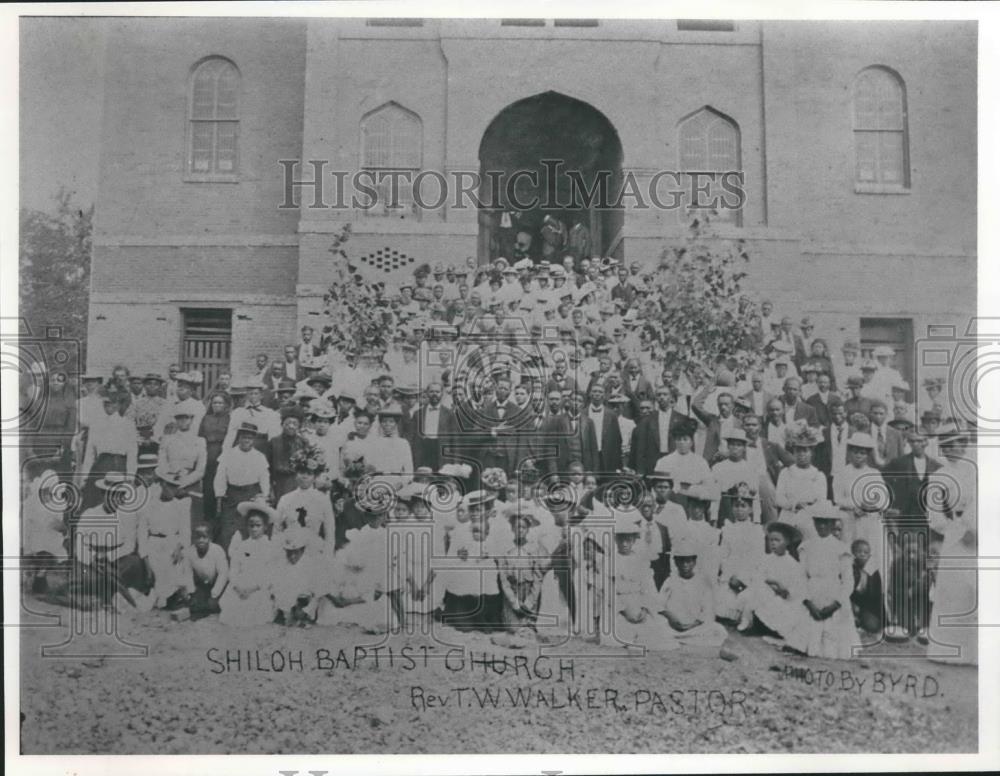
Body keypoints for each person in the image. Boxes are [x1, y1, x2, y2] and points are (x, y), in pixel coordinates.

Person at [926, 428, 977, 664]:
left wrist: (977, 529)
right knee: (953, 591)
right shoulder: (937, 477)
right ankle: (947, 649)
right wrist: (959, 532)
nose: (958, 448)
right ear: (944, 448)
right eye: (951, 444)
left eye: (960, 443)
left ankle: (974, 652)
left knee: (974, 590)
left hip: (979, 537)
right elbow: (935, 518)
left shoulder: (974, 472)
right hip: (955, 539)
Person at [792, 505, 859, 659]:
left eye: (826, 522)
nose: (822, 526)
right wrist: (808, 602)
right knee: (806, 629)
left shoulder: (841, 549)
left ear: (833, 523)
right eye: (819, 521)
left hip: (833, 593)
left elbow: (848, 581)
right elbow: (801, 577)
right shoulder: (806, 547)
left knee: (833, 636)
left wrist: (836, 604)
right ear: (814, 522)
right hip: (812, 592)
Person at [611, 510, 679, 651]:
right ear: (616, 540)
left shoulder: (640, 561)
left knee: (658, 631)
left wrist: (645, 608)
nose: (624, 544)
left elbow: (648, 588)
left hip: (639, 603)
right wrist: (623, 610)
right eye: (621, 539)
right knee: (619, 633)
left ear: (634, 540)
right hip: (619, 608)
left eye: (628, 540)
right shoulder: (610, 561)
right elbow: (608, 591)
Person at [736, 522, 807, 638]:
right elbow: (758, 577)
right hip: (764, 594)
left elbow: (794, 589)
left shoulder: (792, 564)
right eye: (771, 540)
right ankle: (751, 623)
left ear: (787, 542)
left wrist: (781, 588)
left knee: (776, 605)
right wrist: (767, 583)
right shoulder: (766, 559)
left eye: (777, 540)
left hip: (782, 598)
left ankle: (770, 628)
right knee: (756, 593)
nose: (773, 543)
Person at [494, 501, 549, 647]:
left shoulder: (534, 549)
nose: (520, 530)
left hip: (529, 593)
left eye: (524, 527)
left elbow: (538, 578)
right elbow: (503, 579)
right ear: (512, 528)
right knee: (514, 629)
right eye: (517, 527)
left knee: (527, 630)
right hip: (512, 595)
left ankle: (528, 630)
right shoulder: (506, 550)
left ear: (528, 529)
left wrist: (530, 602)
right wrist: (514, 602)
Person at [657, 537, 728, 647]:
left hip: (695, 626)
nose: (685, 565)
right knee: (657, 624)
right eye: (681, 561)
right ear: (675, 562)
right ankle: (680, 637)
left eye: (688, 561)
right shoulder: (670, 581)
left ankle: (682, 638)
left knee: (718, 630)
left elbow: (707, 610)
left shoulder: (703, 582)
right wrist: (672, 618)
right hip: (672, 625)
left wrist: (692, 624)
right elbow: (659, 605)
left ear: (694, 562)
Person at [213, 422, 271, 550]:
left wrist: (264, 495)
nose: (246, 440)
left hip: (251, 494)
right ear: (238, 438)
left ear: (253, 440)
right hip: (232, 495)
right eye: (243, 437)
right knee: (228, 531)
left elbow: (264, 477)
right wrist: (219, 496)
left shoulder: (259, 457)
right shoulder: (228, 455)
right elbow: (220, 476)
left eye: (249, 438)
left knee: (248, 528)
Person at [80, 386, 138, 509]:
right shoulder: (95, 425)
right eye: (106, 403)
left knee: (117, 502)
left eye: (113, 402)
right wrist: (84, 477)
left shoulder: (128, 425)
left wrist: (131, 476)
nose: (109, 405)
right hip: (100, 466)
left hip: (119, 465)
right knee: (94, 501)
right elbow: (90, 454)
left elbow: (132, 454)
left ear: (119, 404)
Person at [218, 506, 277, 626]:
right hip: (241, 583)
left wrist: (253, 588)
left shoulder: (270, 547)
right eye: (251, 525)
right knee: (232, 606)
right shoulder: (242, 545)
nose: (254, 529)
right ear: (247, 526)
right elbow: (234, 568)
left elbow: (270, 573)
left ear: (265, 527)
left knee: (254, 607)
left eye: (258, 525)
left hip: (258, 585)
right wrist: (237, 586)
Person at [715, 485, 765, 622]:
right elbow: (724, 556)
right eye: (736, 506)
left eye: (743, 506)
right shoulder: (728, 529)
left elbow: (758, 560)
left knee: (751, 602)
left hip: (749, 576)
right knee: (721, 605)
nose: (739, 510)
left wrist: (743, 580)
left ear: (750, 509)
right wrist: (731, 577)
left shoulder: (757, 531)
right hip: (731, 575)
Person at [274, 445, 335, 555]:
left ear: (315, 476)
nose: (305, 477)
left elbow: (329, 533)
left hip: (314, 552)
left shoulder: (323, 500)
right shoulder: (285, 499)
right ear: (296, 474)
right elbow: (276, 531)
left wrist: (327, 557)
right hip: (290, 552)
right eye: (301, 472)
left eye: (309, 473)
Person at [774, 421, 827, 539]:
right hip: (788, 516)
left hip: (809, 518)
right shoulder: (786, 473)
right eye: (798, 450)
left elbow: (821, 502)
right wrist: (794, 505)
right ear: (793, 451)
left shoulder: (818, 475)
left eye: (805, 450)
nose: (801, 454)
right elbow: (778, 498)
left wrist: (807, 509)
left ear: (812, 452)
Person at [272, 527, 322, 626]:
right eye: (289, 553)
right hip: (287, 601)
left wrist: (307, 609)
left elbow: (317, 592)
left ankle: (303, 617)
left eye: (296, 552)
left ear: (303, 550)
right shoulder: (282, 565)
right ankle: (287, 615)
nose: (292, 556)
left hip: (304, 602)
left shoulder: (310, 565)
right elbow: (277, 587)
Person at [180, 524, 229, 621]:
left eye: (204, 537)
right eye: (198, 537)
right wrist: (191, 592)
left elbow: (223, 574)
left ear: (210, 538)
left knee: (216, 605)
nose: (201, 540)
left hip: (219, 585)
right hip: (204, 585)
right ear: (194, 538)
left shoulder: (217, 550)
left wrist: (214, 594)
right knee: (192, 604)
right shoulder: (190, 552)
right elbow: (188, 573)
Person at [198, 391, 232, 530]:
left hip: (223, 453)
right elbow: (200, 437)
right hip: (208, 454)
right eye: (214, 403)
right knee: (209, 487)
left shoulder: (229, 419)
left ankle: (223, 518)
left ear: (225, 405)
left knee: (223, 485)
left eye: (220, 403)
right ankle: (209, 518)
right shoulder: (206, 419)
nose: (217, 405)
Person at [268, 406, 309, 500]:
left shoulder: (303, 442)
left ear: (299, 426)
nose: (291, 426)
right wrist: (270, 488)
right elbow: (268, 466)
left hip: (297, 483)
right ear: (282, 424)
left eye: (294, 423)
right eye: (288, 423)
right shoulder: (274, 442)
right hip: (279, 483)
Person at [849, 539, 883, 635]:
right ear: (853, 554)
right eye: (859, 552)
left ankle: (860, 620)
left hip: (867, 605)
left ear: (869, 555)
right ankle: (854, 619)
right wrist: (853, 605)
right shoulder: (850, 569)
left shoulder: (873, 571)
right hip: (852, 603)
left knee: (873, 626)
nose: (863, 554)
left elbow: (876, 594)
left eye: (866, 552)